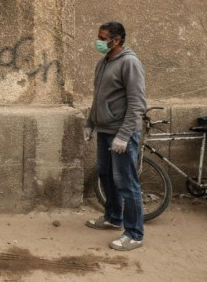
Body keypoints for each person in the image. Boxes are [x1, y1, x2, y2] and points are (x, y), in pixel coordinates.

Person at [84, 22, 147, 251]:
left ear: (117, 40)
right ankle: (113, 217)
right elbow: (98, 97)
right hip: (104, 130)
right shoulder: (103, 63)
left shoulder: (130, 63)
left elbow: (137, 103)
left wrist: (124, 135)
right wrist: (91, 123)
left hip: (122, 134)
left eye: (103, 38)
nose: (99, 41)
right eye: (98, 36)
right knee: (105, 174)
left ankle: (134, 233)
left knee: (126, 183)